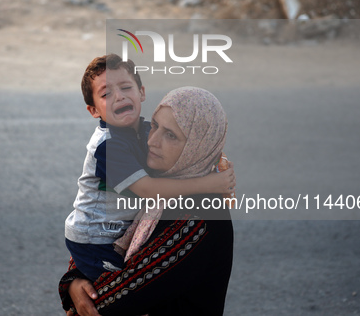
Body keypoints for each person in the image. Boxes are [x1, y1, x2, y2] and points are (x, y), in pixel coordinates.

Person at [60, 87, 234, 315]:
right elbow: (96, 232)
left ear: (197, 147)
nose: (152, 141)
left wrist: (74, 288)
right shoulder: (153, 182)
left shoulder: (198, 215)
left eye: (171, 135)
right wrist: (73, 281)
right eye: (154, 125)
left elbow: (113, 299)